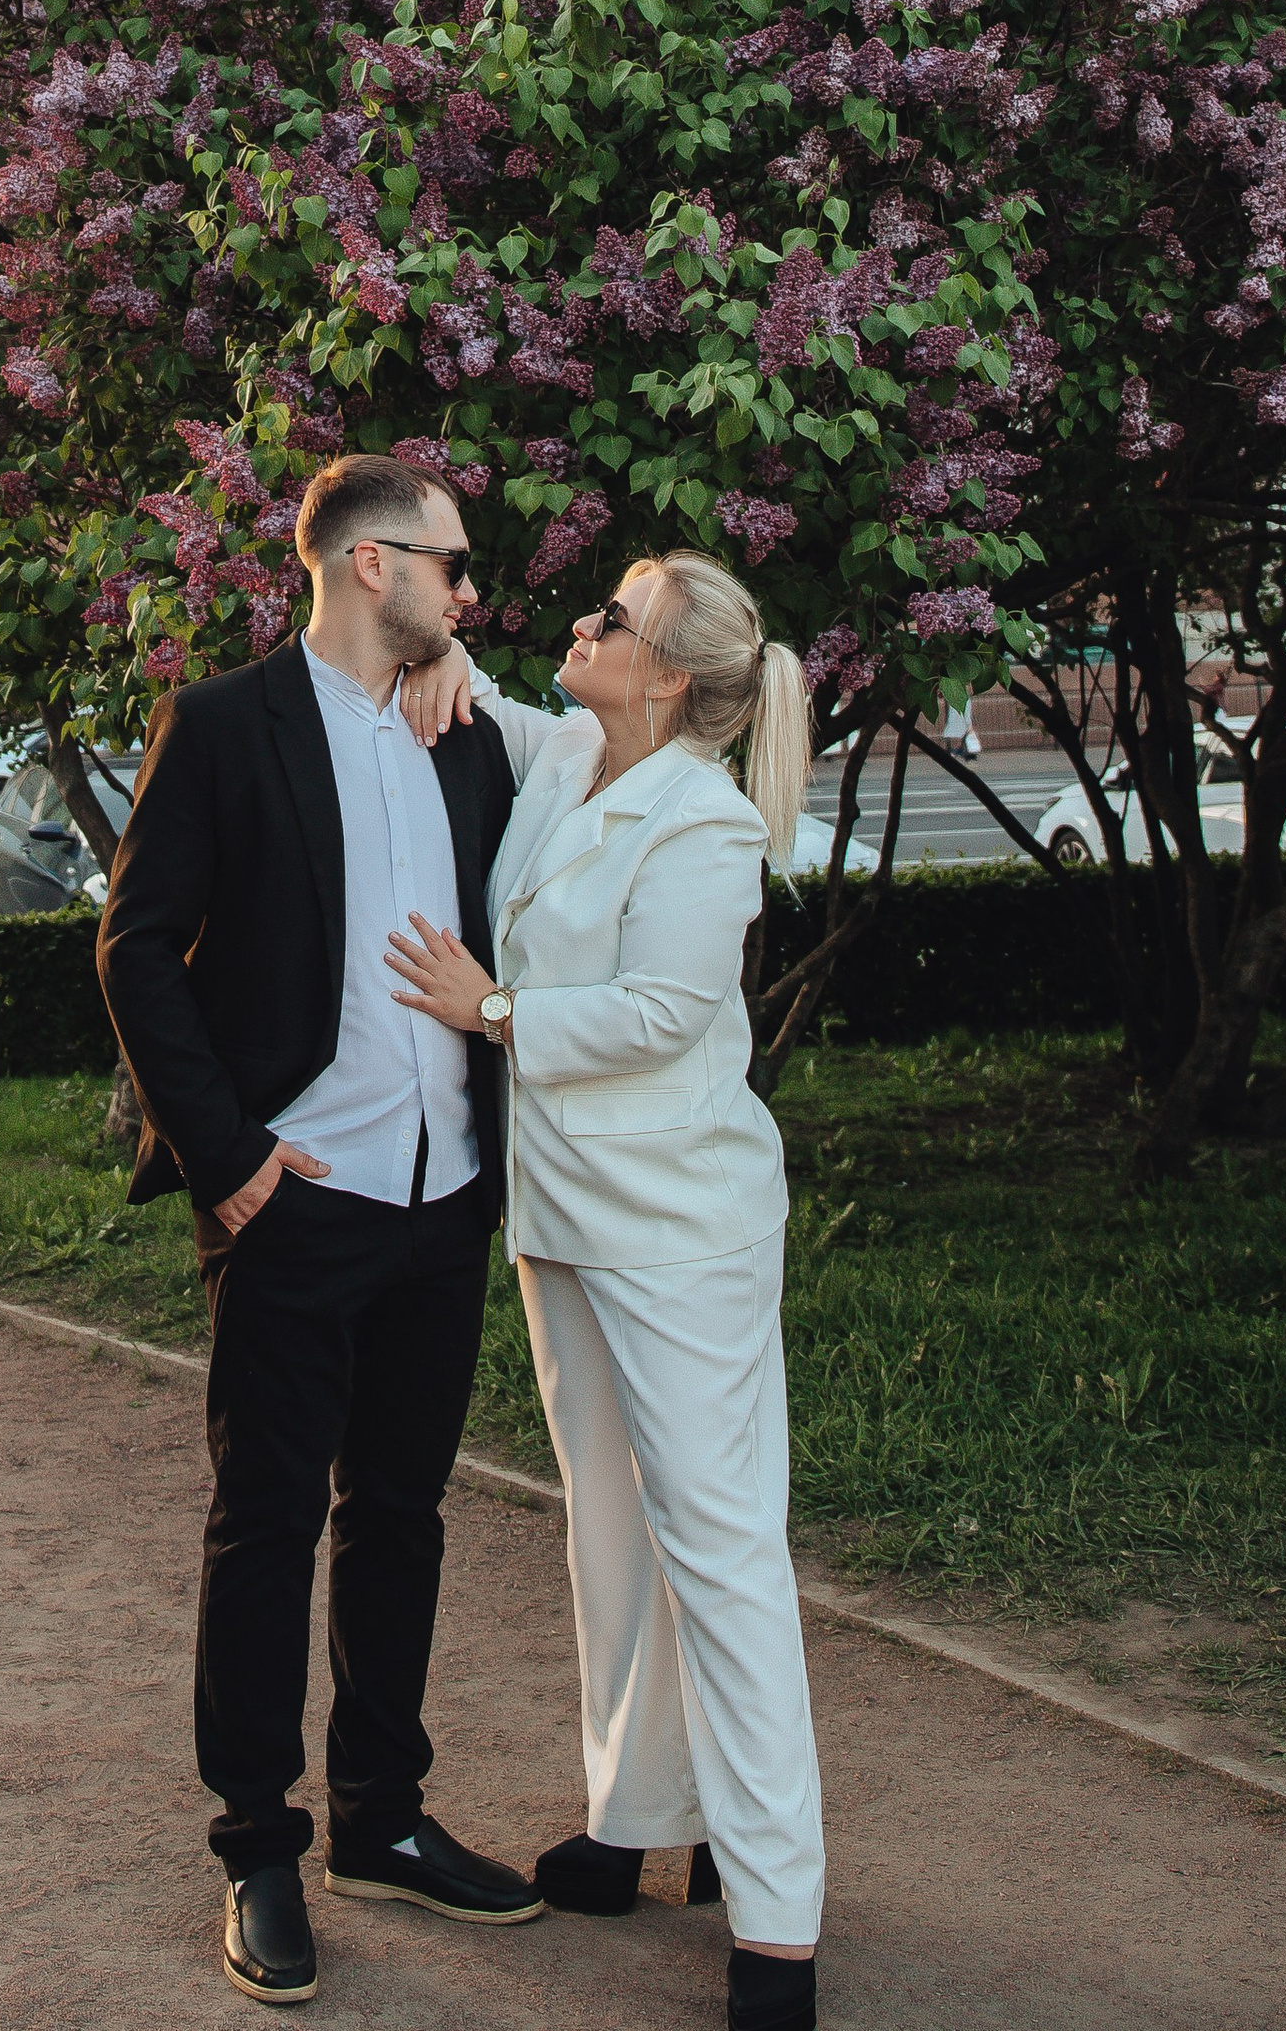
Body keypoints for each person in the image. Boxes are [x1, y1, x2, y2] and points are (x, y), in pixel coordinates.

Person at [97, 456, 545, 2006]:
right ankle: (258, 1849)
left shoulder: (464, 733)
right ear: (370, 563)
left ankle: (382, 1820)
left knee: (403, 1513)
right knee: (268, 1520)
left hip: (443, 1196)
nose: (468, 588)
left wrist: (468, 676)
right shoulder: (226, 726)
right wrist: (224, 1157)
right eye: (451, 564)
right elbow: (136, 946)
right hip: (297, 1199)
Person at [392, 550, 828, 2031]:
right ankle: (633, 1817)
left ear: (674, 678)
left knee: (721, 1549)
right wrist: (446, 661)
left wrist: (493, 1008)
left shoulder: (704, 824)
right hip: (566, 1223)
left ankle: (776, 1915)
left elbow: (660, 1013)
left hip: (682, 1230)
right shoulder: (574, 752)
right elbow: (491, 707)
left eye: (615, 618)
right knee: (610, 1534)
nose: (582, 623)